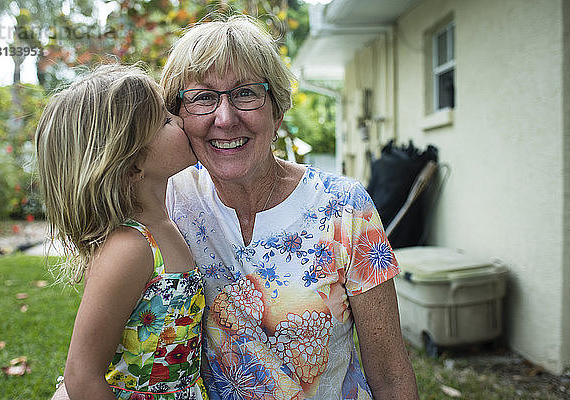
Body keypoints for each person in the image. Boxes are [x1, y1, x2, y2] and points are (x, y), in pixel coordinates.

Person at [160, 14, 419, 400]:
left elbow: (390, 375)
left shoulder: (344, 208)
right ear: (179, 117)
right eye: (202, 98)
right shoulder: (169, 202)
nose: (225, 119)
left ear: (278, 111)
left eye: (246, 93)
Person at [35, 64, 208, 400]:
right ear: (132, 164)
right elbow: (82, 376)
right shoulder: (131, 247)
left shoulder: (166, 223)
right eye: (165, 121)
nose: (181, 121)